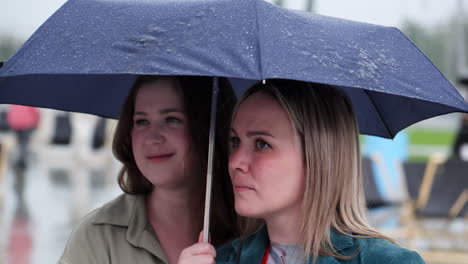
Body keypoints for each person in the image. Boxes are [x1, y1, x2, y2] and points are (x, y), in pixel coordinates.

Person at [188, 80, 425, 263]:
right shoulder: (221, 259)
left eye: (262, 143)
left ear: (318, 157)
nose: (235, 161)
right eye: (235, 141)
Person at [59, 75, 240, 264]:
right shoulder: (96, 237)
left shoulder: (254, 231)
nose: (152, 138)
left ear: (209, 127)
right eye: (142, 121)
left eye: (172, 119)